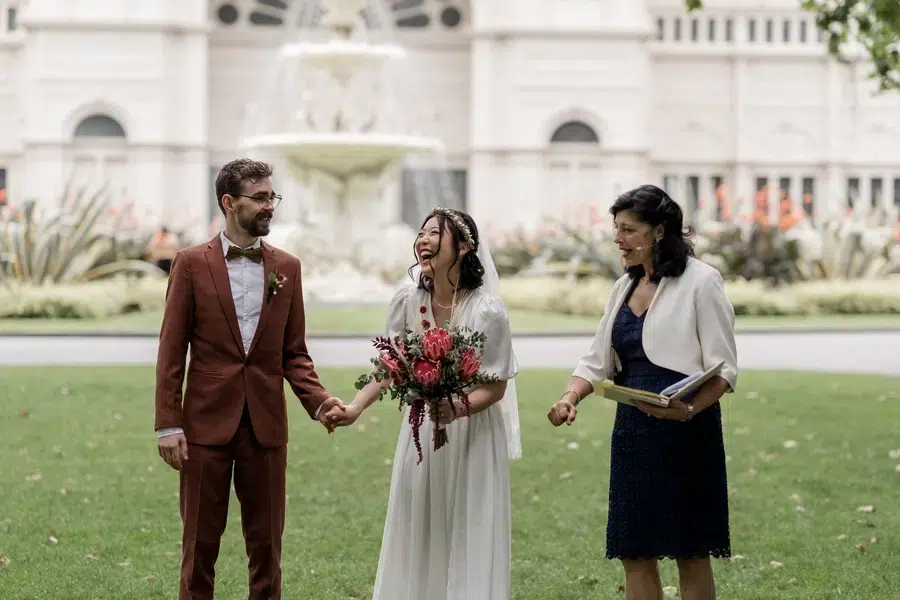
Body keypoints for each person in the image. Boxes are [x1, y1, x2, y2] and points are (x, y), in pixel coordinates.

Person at [154, 158, 346, 600]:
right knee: (199, 550)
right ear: (228, 202)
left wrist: (319, 403)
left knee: (266, 550)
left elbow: (293, 353)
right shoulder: (188, 263)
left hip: (265, 428)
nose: (269, 206)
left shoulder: (288, 268)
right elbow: (170, 352)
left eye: (271, 197)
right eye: (259, 198)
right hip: (203, 428)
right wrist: (168, 423)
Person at [547, 184, 738, 600]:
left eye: (628, 229)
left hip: (688, 431)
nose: (618, 239)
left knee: (690, 550)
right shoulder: (623, 287)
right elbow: (596, 360)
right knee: (635, 551)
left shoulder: (703, 282)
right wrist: (569, 397)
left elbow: (724, 371)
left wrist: (686, 411)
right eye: (617, 229)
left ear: (658, 231)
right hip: (634, 432)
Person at [327, 207, 521, 600]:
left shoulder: (487, 310)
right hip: (421, 437)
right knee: (419, 526)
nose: (423, 239)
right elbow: (390, 365)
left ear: (464, 247)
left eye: (435, 233)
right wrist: (354, 408)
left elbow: (496, 386)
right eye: (421, 232)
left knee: (470, 526)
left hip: (475, 436)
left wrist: (459, 407)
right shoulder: (406, 301)